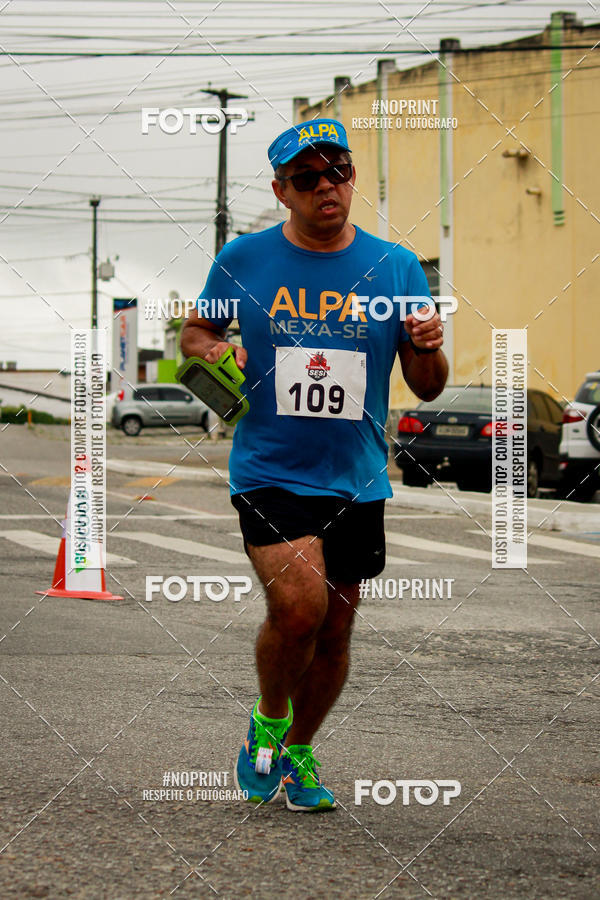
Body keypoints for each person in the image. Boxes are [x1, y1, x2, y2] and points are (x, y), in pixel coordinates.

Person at [181, 118, 448, 812]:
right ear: (282, 190)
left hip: (357, 474)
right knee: (298, 608)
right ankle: (268, 724)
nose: (326, 186)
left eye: (338, 171)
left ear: (351, 176)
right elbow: (198, 329)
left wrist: (426, 342)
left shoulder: (396, 267)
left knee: (335, 628)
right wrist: (212, 352)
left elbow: (428, 384)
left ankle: (299, 748)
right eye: (307, 178)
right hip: (269, 467)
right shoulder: (244, 259)